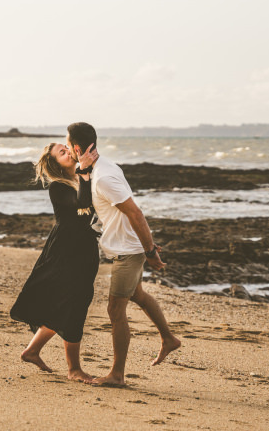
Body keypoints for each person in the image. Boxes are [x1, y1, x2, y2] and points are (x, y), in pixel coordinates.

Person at [66, 122, 181, 386]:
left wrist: (149, 250)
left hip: (128, 251)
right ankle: (169, 338)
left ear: (76, 147)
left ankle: (117, 374)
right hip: (127, 246)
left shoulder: (105, 175)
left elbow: (135, 213)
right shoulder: (98, 169)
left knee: (115, 308)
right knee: (138, 294)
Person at [9, 141, 100, 382]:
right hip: (66, 250)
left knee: (68, 302)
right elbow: (81, 206)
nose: (68, 151)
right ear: (55, 164)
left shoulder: (84, 178)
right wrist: (84, 170)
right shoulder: (58, 187)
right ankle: (74, 369)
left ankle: (32, 351)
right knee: (75, 303)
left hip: (85, 247)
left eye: (67, 147)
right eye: (62, 152)